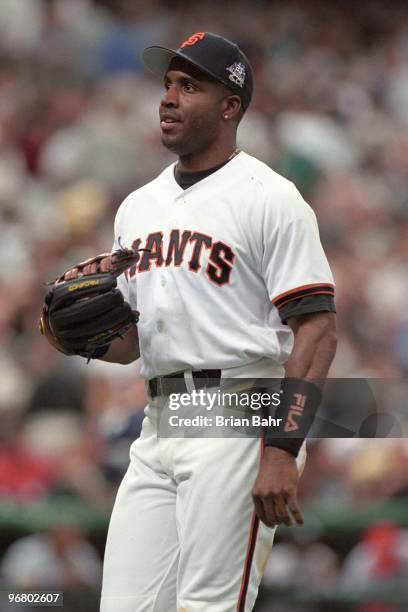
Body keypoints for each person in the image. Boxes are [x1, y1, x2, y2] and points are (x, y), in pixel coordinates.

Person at [66, 32, 337, 612]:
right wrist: (75, 337)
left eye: (189, 86)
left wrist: (283, 449)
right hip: (159, 417)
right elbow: (137, 342)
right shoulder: (137, 206)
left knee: (208, 607)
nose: (168, 98)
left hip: (239, 411)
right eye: (166, 84)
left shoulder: (271, 196)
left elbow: (317, 327)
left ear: (230, 106)